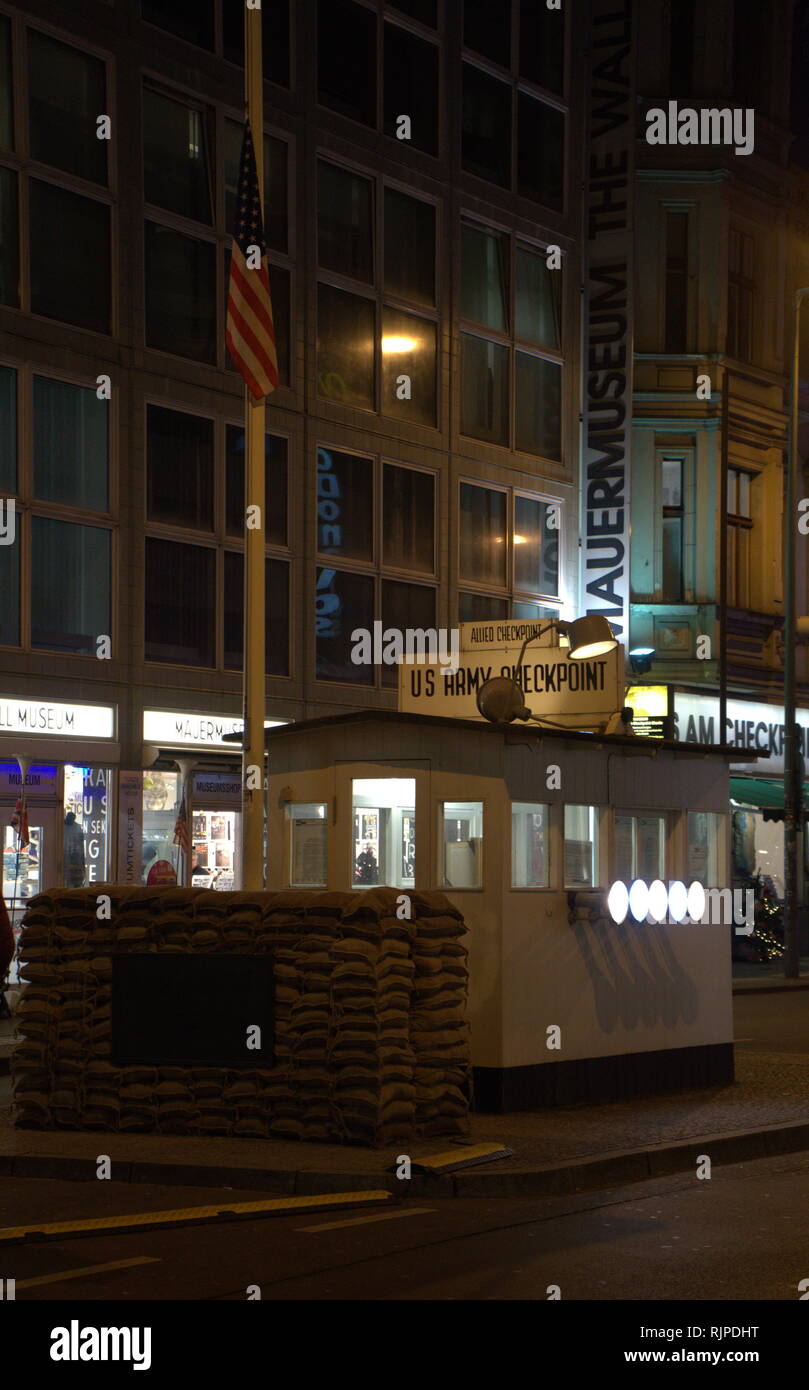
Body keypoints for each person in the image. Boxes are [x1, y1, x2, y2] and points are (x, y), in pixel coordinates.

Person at [63, 811, 85, 888]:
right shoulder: (60, 826)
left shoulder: (77, 828)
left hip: (75, 855)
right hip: (63, 854)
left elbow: (81, 842)